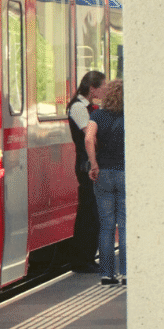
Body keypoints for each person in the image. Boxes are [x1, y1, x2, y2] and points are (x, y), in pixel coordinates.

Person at [85, 78, 126, 286]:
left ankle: (107, 274)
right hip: (126, 172)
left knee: (107, 225)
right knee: (126, 225)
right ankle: (128, 273)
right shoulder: (130, 116)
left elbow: (88, 138)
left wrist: (94, 164)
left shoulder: (97, 115)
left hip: (103, 173)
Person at [67, 69, 105, 272]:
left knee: (92, 211)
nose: (105, 90)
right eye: (102, 87)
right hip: (86, 163)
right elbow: (89, 136)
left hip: (88, 162)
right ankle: (82, 260)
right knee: (88, 211)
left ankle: (87, 257)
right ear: (92, 88)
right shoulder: (79, 108)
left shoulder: (86, 107)